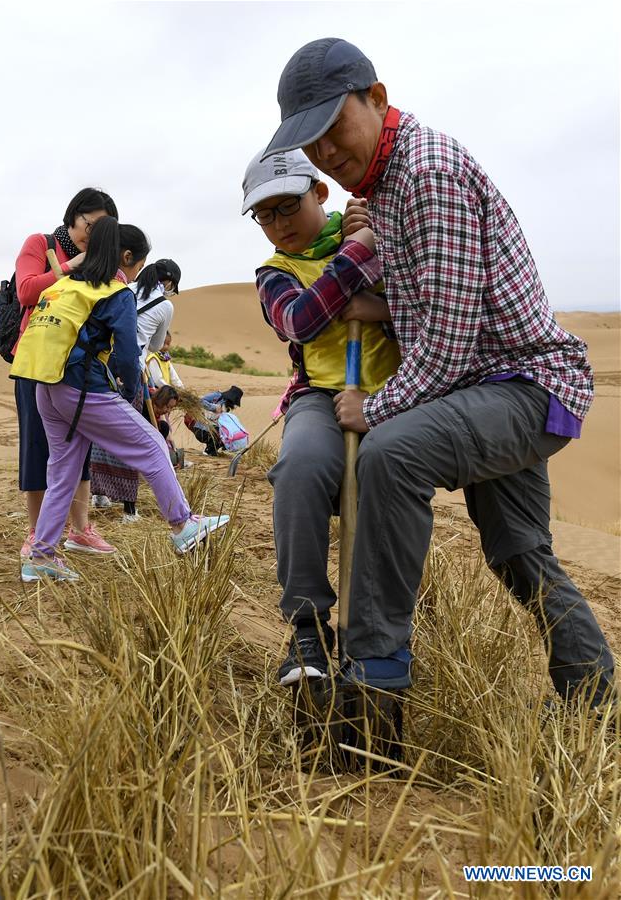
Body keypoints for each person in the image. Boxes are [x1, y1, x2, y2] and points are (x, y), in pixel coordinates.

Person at [261, 37, 615, 705]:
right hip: (485, 389)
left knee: (388, 455)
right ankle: (593, 691)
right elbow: (433, 299)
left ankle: (374, 681)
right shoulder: (387, 187)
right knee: (518, 552)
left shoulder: (426, 173)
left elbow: (449, 344)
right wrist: (379, 298)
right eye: (311, 144)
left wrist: (377, 406)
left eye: (335, 128)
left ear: (377, 99)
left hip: (521, 386)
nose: (327, 153)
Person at [241, 148, 400, 685]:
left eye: (288, 207)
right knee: (300, 468)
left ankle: (376, 638)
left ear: (321, 193)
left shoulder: (376, 228)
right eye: (264, 215)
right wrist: (356, 256)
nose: (278, 225)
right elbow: (301, 320)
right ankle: (307, 627)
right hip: (320, 396)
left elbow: (428, 309)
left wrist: (376, 299)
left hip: (398, 395)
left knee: (384, 485)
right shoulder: (275, 272)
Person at [10, 217, 229, 582]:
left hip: (45, 386)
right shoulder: (115, 292)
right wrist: (128, 396)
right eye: (139, 265)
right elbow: (128, 356)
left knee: (62, 472)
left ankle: (42, 556)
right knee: (153, 446)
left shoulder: (66, 284)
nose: (138, 274)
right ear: (126, 256)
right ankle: (183, 524)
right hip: (82, 390)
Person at [13, 187, 118, 557]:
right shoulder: (40, 244)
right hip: (38, 359)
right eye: (89, 224)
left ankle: (80, 530)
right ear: (73, 216)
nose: (92, 234)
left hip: (79, 365)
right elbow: (26, 292)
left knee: (79, 447)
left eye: (102, 229)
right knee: (36, 444)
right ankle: (36, 531)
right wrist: (72, 267)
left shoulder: (100, 260)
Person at [89, 258, 182, 519]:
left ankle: (99, 494)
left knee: (102, 433)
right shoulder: (165, 306)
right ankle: (130, 509)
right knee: (132, 435)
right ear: (167, 282)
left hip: (104, 367)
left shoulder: (125, 290)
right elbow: (155, 345)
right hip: (132, 370)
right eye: (172, 285)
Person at [189, 386, 244, 457]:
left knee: (226, 436)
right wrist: (214, 408)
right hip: (201, 428)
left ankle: (212, 453)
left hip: (213, 428)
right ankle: (207, 452)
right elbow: (200, 401)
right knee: (218, 435)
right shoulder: (217, 396)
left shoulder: (226, 408)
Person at [151, 384, 192, 469]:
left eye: (171, 408)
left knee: (164, 427)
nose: (168, 411)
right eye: (167, 407)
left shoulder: (158, 412)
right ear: (160, 401)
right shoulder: (145, 410)